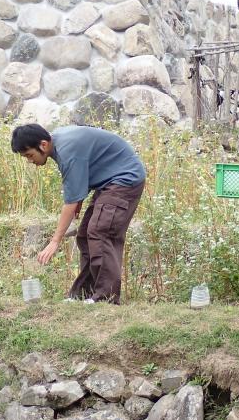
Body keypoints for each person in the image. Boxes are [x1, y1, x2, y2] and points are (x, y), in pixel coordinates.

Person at [11, 123, 146, 304]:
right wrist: (78, 204)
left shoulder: (67, 152)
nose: (30, 161)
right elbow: (80, 181)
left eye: (29, 155)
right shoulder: (58, 143)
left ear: (43, 145)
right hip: (108, 183)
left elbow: (70, 202)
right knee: (84, 235)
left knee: (100, 231)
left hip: (125, 179)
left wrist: (55, 241)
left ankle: (105, 298)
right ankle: (83, 295)